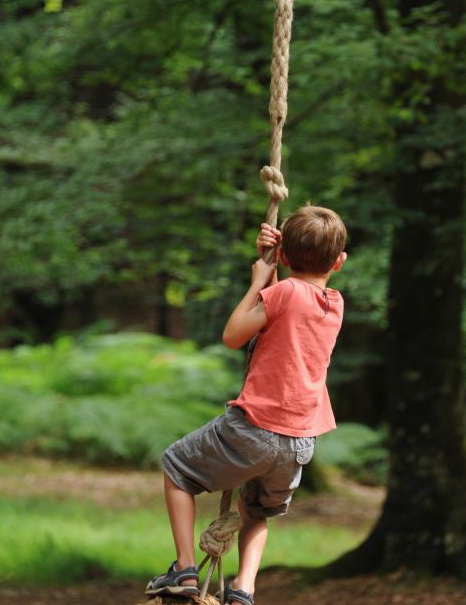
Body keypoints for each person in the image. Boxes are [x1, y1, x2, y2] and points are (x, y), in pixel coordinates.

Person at [145, 205, 347, 605]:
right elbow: (285, 310)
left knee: (176, 468)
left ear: (285, 257)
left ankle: (184, 570)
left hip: (255, 427)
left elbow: (234, 335)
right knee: (257, 512)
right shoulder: (334, 304)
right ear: (339, 263)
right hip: (299, 442)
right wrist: (275, 260)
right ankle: (243, 590)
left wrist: (259, 277)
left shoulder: (284, 291)